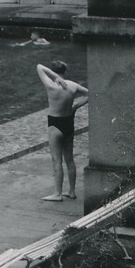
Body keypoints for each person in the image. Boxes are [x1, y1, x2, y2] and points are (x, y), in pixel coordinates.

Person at [37, 60, 88, 201]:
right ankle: (71, 191)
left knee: (56, 161)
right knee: (70, 160)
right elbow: (91, 94)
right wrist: (76, 105)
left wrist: (56, 78)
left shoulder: (51, 85)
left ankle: (58, 194)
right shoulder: (72, 85)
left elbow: (39, 66)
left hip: (55, 124)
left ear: (53, 71)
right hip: (68, 123)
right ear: (64, 72)